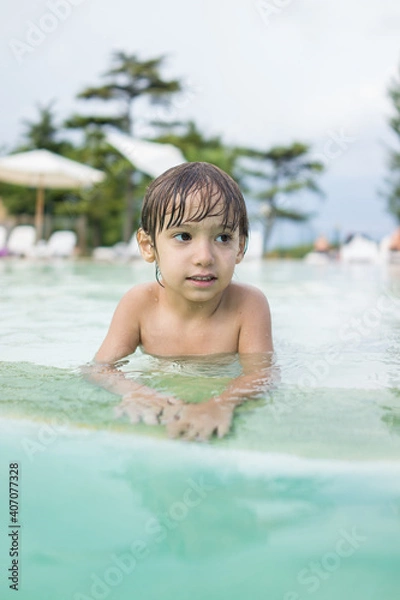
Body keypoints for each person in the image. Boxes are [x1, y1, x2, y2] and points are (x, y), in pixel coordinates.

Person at [85, 162, 274, 441]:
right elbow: (100, 369)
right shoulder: (139, 305)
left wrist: (221, 404)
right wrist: (136, 391)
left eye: (223, 237)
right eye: (183, 236)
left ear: (240, 248)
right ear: (149, 246)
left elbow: (262, 376)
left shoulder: (248, 305)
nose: (205, 257)